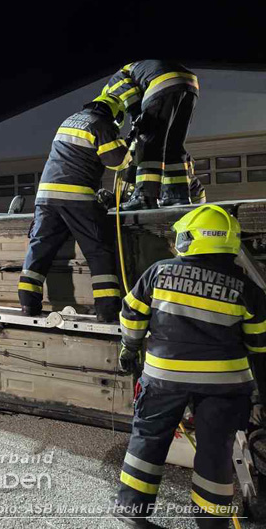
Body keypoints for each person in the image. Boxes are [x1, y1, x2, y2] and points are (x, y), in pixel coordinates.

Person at [113, 205, 266, 529]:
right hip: (225, 385)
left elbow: (131, 316)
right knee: (216, 452)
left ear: (188, 238)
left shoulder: (159, 272)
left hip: (165, 377)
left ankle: (131, 509)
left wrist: (129, 349)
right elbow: (259, 346)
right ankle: (212, 522)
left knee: (148, 440)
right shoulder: (246, 289)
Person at [18, 94, 130, 322]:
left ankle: (28, 304)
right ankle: (107, 310)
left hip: (46, 196)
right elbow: (117, 161)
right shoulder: (102, 124)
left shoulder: (70, 120)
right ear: (115, 113)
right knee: (98, 250)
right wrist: (131, 147)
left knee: (40, 248)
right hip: (76, 196)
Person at [101, 60, 200, 210]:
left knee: (148, 145)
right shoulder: (136, 72)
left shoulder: (113, 84)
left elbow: (130, 95)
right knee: (173, 145)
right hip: (190, 84)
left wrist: (136, 115)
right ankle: (178, 196)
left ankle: (144, 197)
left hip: (162, 83)